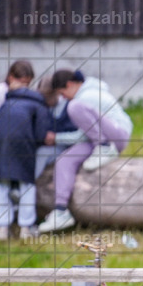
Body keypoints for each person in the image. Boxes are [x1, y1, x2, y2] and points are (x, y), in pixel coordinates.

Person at [38, 70, 133, 233]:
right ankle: (61, 211)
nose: (64, 98)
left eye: (63, 93)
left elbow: (83, 134)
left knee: (74, 107)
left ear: (69, 85)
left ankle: (104, 148)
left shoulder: (86, 97)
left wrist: (57, 138)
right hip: (97, 139)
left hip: (116, 136)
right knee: (64, 160)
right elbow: (87, 133)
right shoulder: (82, 97)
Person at [0, 73, 54, 240]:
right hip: (23, 145)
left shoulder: (7, 102)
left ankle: (2, 229)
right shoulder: (39, 105)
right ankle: (25, 228)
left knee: (2, 183)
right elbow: (42, 135)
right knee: (26, 184)